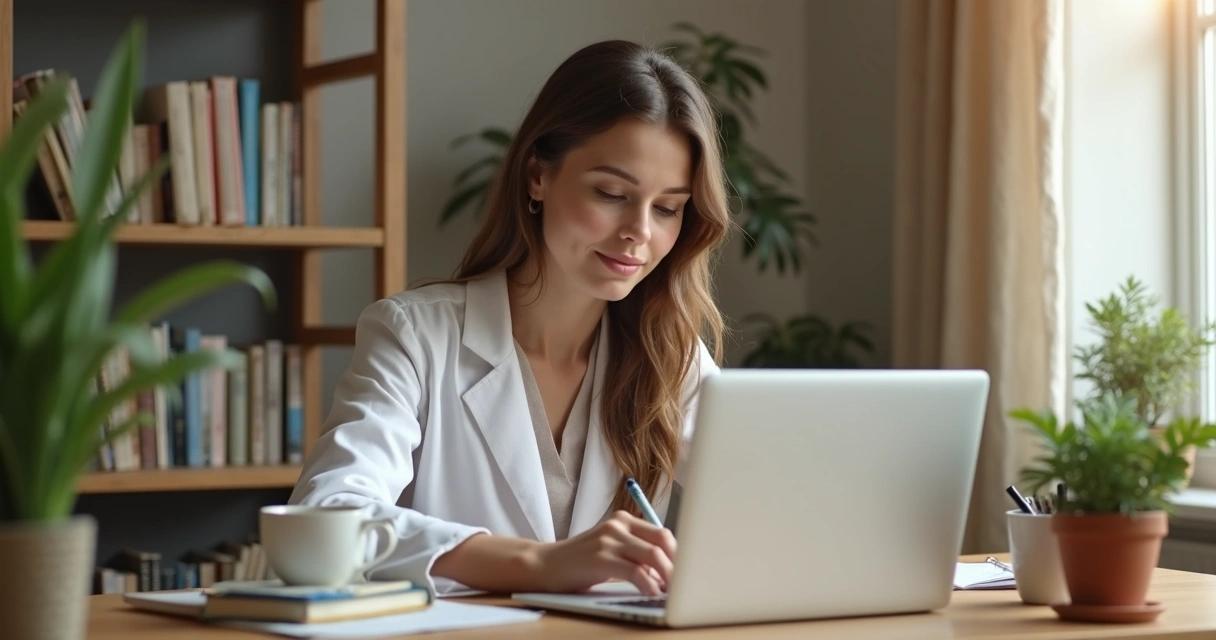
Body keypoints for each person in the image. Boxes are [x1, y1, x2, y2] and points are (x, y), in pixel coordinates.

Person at [288, 39, 731, 598]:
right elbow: (326, 519)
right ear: (536, 177)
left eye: (667, 207)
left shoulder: (672, 356)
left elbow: (777, 504)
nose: (640, 231)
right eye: (611, 193)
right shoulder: (415, 335)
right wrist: (540, 563)